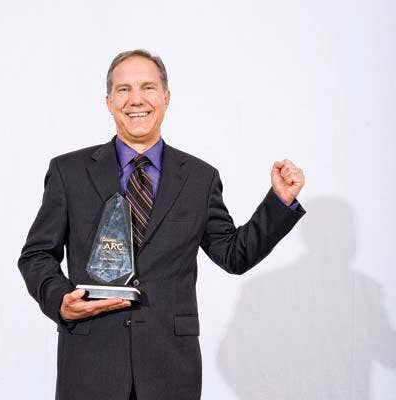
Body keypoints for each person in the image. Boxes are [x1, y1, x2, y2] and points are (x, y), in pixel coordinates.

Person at [18, 49, 306, 400]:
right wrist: (59, 299)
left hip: (170, 369)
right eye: (123, 90)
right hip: (91, 363)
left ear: (166, 98)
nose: (136, 99)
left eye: (148, 87)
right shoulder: (69, 172)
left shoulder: (199, 178)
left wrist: (279, 202)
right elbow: (36, 255)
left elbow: (234, 255)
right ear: (109, 102)